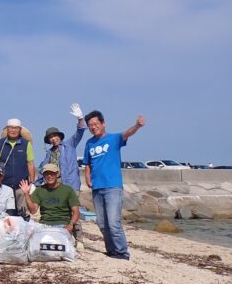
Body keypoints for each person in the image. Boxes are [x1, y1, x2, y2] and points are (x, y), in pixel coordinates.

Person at [83, 110, 145, 261]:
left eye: (96, 124)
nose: (93, 127)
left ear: (103, 123)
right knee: (102, 223)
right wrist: (87, 177)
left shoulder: (114, 138)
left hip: (113, 187)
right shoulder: (89, 143)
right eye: (90, 125)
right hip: (97, 187)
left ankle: (122, 252)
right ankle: (111, 250)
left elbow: (127, 133)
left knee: (113, 222)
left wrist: (137, 126)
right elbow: (87, 164)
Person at [0, 118, 35, 218]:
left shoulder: (26, 144)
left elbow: (30, 163)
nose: (13, 130)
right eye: (11, 128)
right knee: (6, 213)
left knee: (23, 213)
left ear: (20, 130)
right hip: (4, 184)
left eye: (16, 128)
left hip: (21, 185)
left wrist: (32, 182)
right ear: (7, 129)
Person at [20, 163, 80, 238]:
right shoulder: (39, 190)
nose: (49, 176)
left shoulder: (68, 190)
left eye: (52, 173)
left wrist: (70, 225)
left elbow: (76, 212)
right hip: (44, 225)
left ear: (57, 174)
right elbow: (33, 210)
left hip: (63, 224)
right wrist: (26, 194)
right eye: (46, 174)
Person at [39, 103, 86, 191]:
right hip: (54, 184)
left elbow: (79, 132)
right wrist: (36, 184)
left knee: (73, 204)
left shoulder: (69, 144)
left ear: (60, 136)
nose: (53, 139)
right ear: (49, 141)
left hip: (70, 184)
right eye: (50, 137)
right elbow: (43, 169)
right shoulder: (49, 153)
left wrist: (80, 118)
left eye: (55, 136)